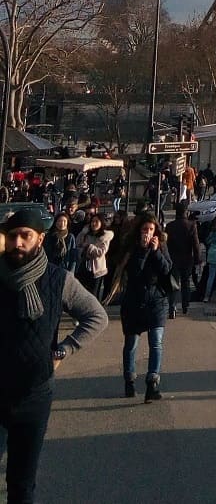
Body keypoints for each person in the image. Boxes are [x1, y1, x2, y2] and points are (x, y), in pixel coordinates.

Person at [0, 208, 108, 501]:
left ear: (40, 239)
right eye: (13, 236)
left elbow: (97, 317)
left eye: (26, 236)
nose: (18, 243)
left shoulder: (58, 280)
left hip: (35, 396)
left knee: (22, 483)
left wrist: (64, 349)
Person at [114, 214, 173, 402]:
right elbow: (135, 272)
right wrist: (143, 250)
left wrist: (155, 251)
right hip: (134, 301)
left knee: (156, 343)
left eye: (150, 229)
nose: (147, 233)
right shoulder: (132, 249)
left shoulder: (161, 246)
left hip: (156, 301)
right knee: (131, 344)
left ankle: (152, 382)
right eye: (144, 229)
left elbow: (166, 269)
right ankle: (129, 380)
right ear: (139, 231)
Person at [165, 201, 201, 317]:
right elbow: (195, 245)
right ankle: (185, 305)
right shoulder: (191, 225)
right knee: (185, 284)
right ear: (186, 212)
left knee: (173, 284)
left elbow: (165, 244)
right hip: (186, 258)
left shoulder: (170, 226)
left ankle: (172, 307)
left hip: (173, 258)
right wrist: (197, 260)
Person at [75, 213, 114, 303]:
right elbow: (77, 244)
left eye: (96, 221)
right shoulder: (86, 234)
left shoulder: (104, 237)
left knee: (93, 295)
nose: (94, 224)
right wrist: (83, 233)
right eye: (92, 221)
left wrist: (89, 247)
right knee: (82, 292)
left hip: (97, 270)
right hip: (83, 266)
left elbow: (101, 252)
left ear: (101, 223)